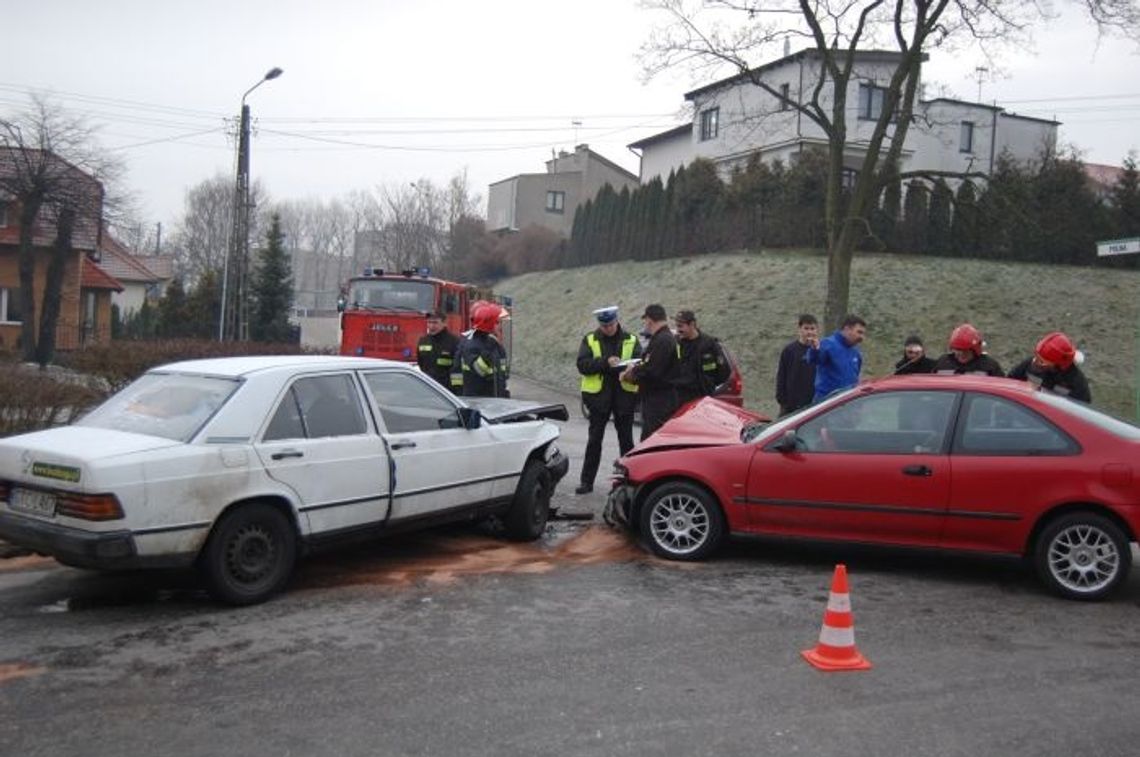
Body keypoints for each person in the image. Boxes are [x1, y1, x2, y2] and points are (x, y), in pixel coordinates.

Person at [574, 306, 641, 494]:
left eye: (610, 324)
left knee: (626, 441)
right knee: (594, 441)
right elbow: (582, 365)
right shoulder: (590, 339)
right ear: (600, 325)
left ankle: (629, 482)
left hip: (624, 397)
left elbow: (640, 363)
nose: (608, 328)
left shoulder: (631, 339)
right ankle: (586, 482)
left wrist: (628, 370)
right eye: (604, 326)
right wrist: (605, 362)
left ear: (617, 321)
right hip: (598, 399)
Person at [620, 304, 679, 441]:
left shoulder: (663, 340)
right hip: (657, 401)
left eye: (645, 320)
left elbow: (651, 371)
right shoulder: (663, 338)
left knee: (651, 443)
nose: (645, 324)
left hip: (659, 404)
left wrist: (631, 373)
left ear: (649, 320)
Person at [1008, 331, 1091, 403]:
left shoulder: (1076, 384)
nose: (1036, 362)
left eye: (1042, 362)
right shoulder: (1029, 365)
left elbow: (1082, 410)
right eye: (1036, 357)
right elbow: (1008, 382)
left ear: (1059, 365)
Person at [672, 309, 731, 405]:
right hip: (681, 398)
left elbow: (724, 371)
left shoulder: (709, 343)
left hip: (704, 399)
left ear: (692, 324)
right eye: (676, 326)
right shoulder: (676, 343)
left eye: (680, 326)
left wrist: (709, 385)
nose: (678, 330)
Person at [805, 314, 867, 403]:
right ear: (847, 329)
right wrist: (815, 349)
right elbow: (814, 360)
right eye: (859, 332)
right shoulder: (828, 344)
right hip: (827, 405)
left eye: (863, 334)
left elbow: (855, 378)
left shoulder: (856, 353)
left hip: (848, 405)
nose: (862, 338)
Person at [459, 303, 509, 397]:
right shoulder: (471, 345)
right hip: (479, 401)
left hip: (494, 398)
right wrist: (487, 351)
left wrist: (503, 392)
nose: (500, 326)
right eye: (497, 322)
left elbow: (501, 374)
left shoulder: (493, 342)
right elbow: (479, 370)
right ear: (488, 324)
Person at [775, 314, 818, 416]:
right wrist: (782, 400)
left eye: (812, 329)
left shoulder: (820, 350)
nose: (809, 332)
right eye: (806, 328)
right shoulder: (790, 350)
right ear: (799, 329)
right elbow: (782, 376)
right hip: (792, 404)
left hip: (815, 402)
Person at [416, 311, 462, 393]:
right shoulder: (423, 341)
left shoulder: (454, 342)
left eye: (435, 323)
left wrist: (457, 390)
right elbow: (421, 364)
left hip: (447, 390)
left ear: (444, 323)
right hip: (428, 388)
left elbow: (458, 369)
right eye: (429, 322)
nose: (431, 326)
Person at [934, 323, 1004, 376]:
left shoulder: (989, 366)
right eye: (958, 349)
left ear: (975, 350)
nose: (961, 354)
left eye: (965, 350)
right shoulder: (943, 363)